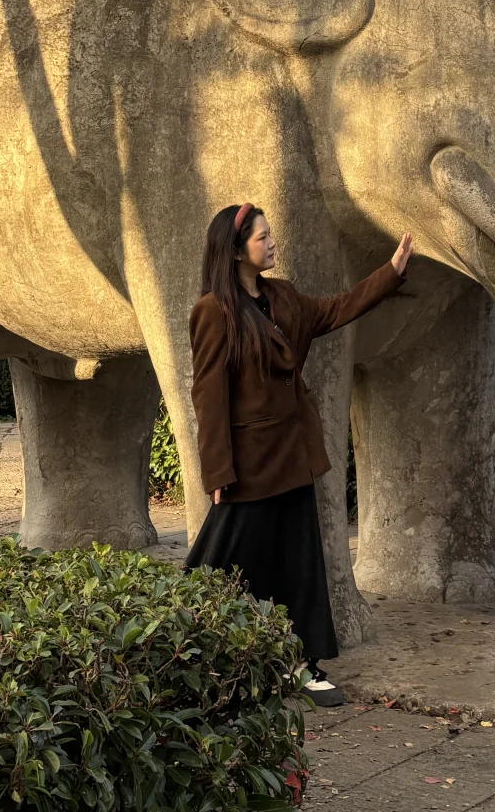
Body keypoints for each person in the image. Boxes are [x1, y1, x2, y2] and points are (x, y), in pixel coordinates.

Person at [184, 202, 412, 708]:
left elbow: (336, 309)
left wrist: (391, 273)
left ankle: (301, 664)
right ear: (235, 250)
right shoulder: (213, 312)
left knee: (300, 565)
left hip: (293, 458)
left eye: (270, 235)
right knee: (220, 565)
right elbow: (208, 395)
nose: (272, 243)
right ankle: (177, 653)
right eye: (262, 237)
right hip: (248, 468)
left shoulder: (282, 296)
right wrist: (217, 469)